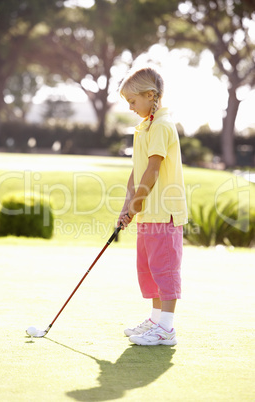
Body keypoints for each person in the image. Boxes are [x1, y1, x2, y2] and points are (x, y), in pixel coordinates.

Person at [117, 67, 188, 346]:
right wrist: (128, 206)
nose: (131, 107)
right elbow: (137, 172)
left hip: (163, 210)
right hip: (148, 210)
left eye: (133, 101)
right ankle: (156, 318)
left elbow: (153, 170)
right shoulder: (145, 126)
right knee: (148, 268)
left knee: (164, 268)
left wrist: (136, 205)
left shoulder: (161, 125)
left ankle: (166, 329)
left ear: (150, 95)